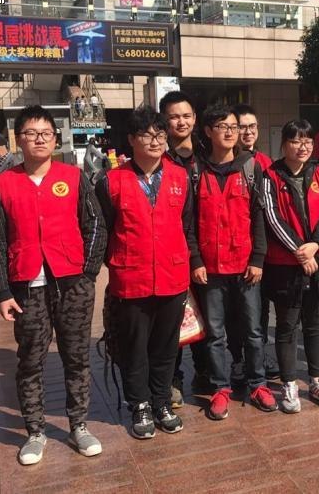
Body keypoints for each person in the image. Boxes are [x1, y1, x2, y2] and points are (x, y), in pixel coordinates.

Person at [0, 105, 107, 465]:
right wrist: (2, 291)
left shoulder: (73, 177)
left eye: (46, 134)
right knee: (30, 361)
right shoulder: (3, 183)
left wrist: (87, 274)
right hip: (27, 287)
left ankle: (79, 425)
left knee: (77, 357)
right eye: (31, 133)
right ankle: (35, 431)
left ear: (55, 139)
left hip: (72, 284)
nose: (39, 139)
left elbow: (96, 226)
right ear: (18, 140)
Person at [95, 106, 195, 438]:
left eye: (159, 134)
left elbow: (187, 226)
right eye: (146, 134)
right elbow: (104, 229)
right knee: (133, 348)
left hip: (172, 276)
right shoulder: (111, 181)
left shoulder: (180, 177)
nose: (154, 141)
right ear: (131, 139)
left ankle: (161, 401)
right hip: (131, 278)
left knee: (166, 348)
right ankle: (139, 404)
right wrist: (113, 262)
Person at [192, 105, 277, 420]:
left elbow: (260, 217)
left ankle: (258, 384)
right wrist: (196, 260)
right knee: (215, 334)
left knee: (253, 331)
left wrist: (258, 259)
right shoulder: (196, 171)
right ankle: (220, 388)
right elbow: (189, 222)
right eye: (222, 126)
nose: (230, 132)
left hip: (245, 267)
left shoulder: (251, 168)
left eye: (233, 126)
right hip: (211, 269)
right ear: (208, 131)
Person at [263, 119, 319, 413]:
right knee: (286, 326)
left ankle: (317, 380)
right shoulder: (271, 176)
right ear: (284, 144)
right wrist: (301, 252)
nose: (302, 146)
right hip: (287, 265)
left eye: (307, 140)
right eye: (295, 140)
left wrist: (315, 245)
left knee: (315, 325)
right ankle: (289, 384)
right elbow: (272, 218)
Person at [158, 90, 211, 405]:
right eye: (174, 116)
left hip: (209, 252)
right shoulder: (158, 159)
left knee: (208, 314)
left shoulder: (208, 155)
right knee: (174, 319)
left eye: (186, 116)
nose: (181, 122)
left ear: (195, 119)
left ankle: (205, 372)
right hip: (174, 253)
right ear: (164, 121)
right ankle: (172, 379)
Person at [229, 103, 279, 386]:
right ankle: (237, 360)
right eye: (242, 127)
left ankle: (258, 358)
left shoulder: (265, 161)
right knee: (236, 312)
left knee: (260, 309)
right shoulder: (224, 161)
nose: (248, 132)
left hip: (262, 251)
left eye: (252, 127)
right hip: (234, 251)